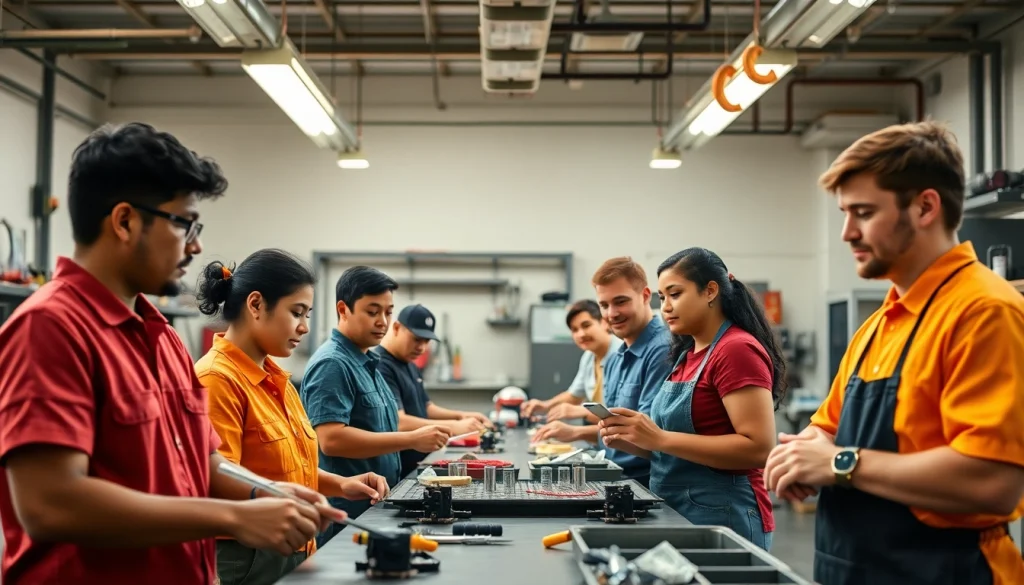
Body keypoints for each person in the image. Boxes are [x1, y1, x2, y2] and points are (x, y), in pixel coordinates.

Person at [0, 123, 334, 585]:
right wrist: (229, 519)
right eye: (183, 223)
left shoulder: (163, 339)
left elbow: (206, 461)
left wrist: (271, 492)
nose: (195, 245)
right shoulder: (51, 328)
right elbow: (50, 504)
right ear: (124, 221)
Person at [764, 121, 1024, 585]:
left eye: (863, 212)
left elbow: (993, 482)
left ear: (925, 206)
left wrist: (842, 464)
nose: (847, 233)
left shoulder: (985, 312)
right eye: (845, 213)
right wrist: (802, 456)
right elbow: (826, 431)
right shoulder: (879, 325)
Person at [193, 249, 392, 585]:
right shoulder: (216, 378)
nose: (304, 327)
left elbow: (287, 467)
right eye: (296, 313)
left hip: (291, 549)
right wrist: (286, 498)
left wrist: (340, 484)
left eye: (308, 314)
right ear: (255, 305)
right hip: (247, 557)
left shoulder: (277, 380)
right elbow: (217, 478)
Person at [598, 248, 786, 550]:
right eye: (662, 298)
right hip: (679, 511)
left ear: (710, 290)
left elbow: (759, 448)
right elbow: (681, 447)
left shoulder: (735, 350)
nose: (666, 308)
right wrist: (635, 441)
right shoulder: (686, 355)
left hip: (724, 517)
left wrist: (658, 439)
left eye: (675, 294)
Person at [300, 266, 450, 542]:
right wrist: (410, 439)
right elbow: (332, 440)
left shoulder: (369, 362)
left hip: (376, 506)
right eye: (372, 312)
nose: (382, 321)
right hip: (347, 516)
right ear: (343, 309)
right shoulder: (333, 364)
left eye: (388, 311)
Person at [533, 257, 671, 487]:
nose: (612, 313)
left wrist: (579, 432)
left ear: (646, 296)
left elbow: (645, 436)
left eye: (621, 301)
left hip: (641, 482)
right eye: (605, 305)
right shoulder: (618, 356)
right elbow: (610, 424)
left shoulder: (662, 350)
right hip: (614, 473)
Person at [375, 303, 493, 477]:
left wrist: (461, 416)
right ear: (397, 328)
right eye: (416, 339)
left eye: (426, 341)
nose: (422, 348)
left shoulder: (409, 364)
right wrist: (454, 426)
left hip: (419, 465)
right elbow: (398, 421)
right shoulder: (382, 366)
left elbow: (426, 407)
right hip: (400, 471)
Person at [520, 299, 623, 422]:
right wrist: (545, 406)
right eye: (574, 330)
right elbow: (574, 395)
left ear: (604, 323)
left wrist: (580, 417)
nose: (581, 334)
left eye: (586, 325)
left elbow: (621, 416)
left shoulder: (622, 355)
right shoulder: (588, 357)